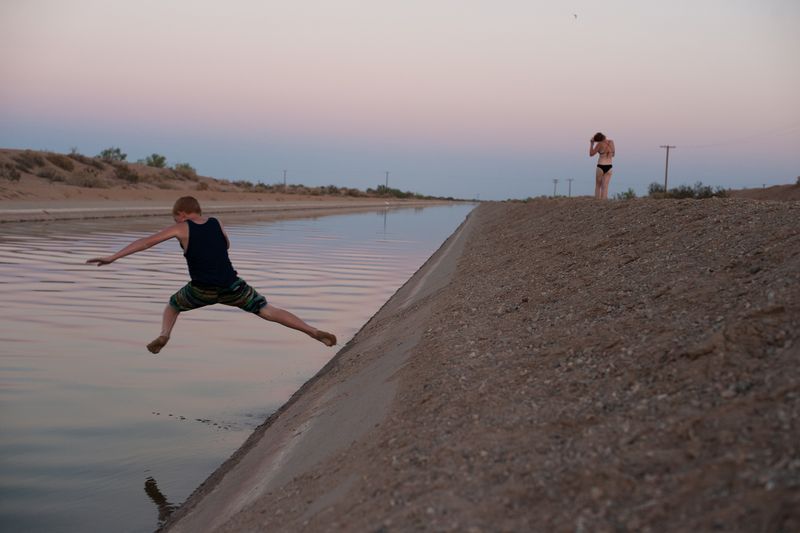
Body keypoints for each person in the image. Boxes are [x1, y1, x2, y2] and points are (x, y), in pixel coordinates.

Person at [86, 196, 337, 354]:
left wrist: (113, 257)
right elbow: (227, 246)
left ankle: (164, 335)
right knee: (266, 309)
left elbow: (146, 242)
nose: (175, 220)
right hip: (232, 285)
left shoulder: (181, 227)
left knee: (173, 305)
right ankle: (311, 331)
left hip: (201, 289)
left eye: (175, 217)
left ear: (182, 213)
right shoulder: (217, 222)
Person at [589, 132, 615, 199]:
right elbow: (613, 155)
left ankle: (597, 201)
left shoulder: (599, 144)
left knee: (598, 185)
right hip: (609, 166)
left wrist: (592, 144)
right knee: (605, 186)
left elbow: (591, 154)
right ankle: (604, 202)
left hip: (601, 165)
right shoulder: (611, 142)